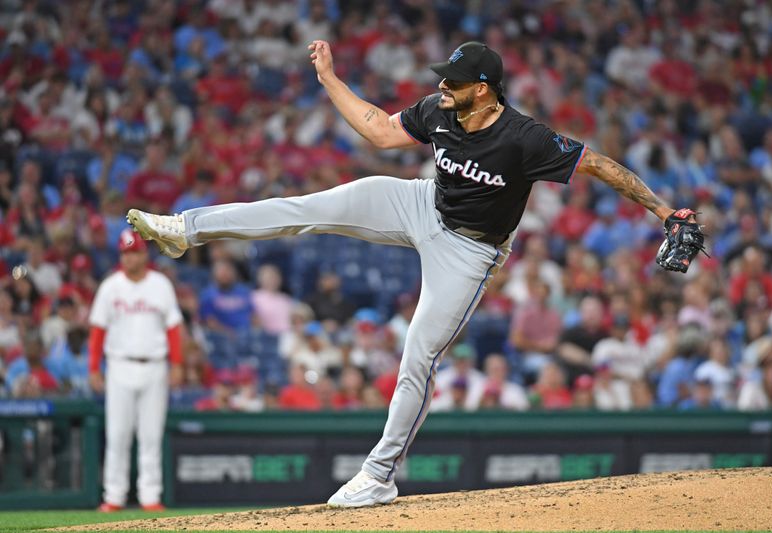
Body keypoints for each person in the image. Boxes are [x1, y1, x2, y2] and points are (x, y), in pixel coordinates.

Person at [127, 40, 698, 507]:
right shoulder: (441, 109)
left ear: (484, 88)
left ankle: (378, 475)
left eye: (454, 80)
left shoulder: (524, 138)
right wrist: (329, 78)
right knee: (309, 208)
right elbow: (377, 129)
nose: (442, 86)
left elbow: (598, 164)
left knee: (418, 354)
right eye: (443, 78)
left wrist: (663, 211)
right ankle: (184, 229)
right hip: (422, 204)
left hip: (470, 251)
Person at [88, 229, 184, 512]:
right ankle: (114, 497)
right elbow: (97, 330)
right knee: (117, 434)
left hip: (154, 365)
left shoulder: (160, 285)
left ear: (145, 253)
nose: (129, 258)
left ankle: (150, 496)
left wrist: (176, 364)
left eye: (134, 252)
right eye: (125, 253)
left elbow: (174, 328)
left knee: (151, 435)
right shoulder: (110, 287)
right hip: (119, 365)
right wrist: (94, 367)